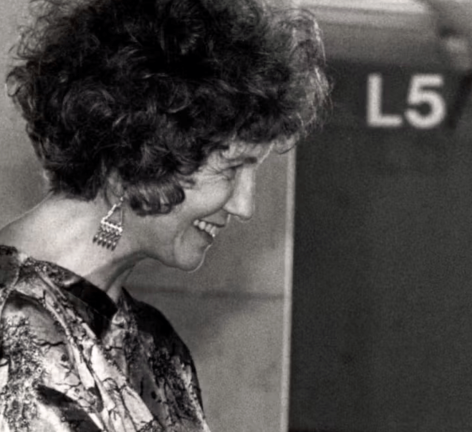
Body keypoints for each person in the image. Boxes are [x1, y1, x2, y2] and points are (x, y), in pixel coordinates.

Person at [0, 0, 329, 429]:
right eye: (232, 168)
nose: (244, 206)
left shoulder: (156, 347)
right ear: (139, 152)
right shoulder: (11, 330)